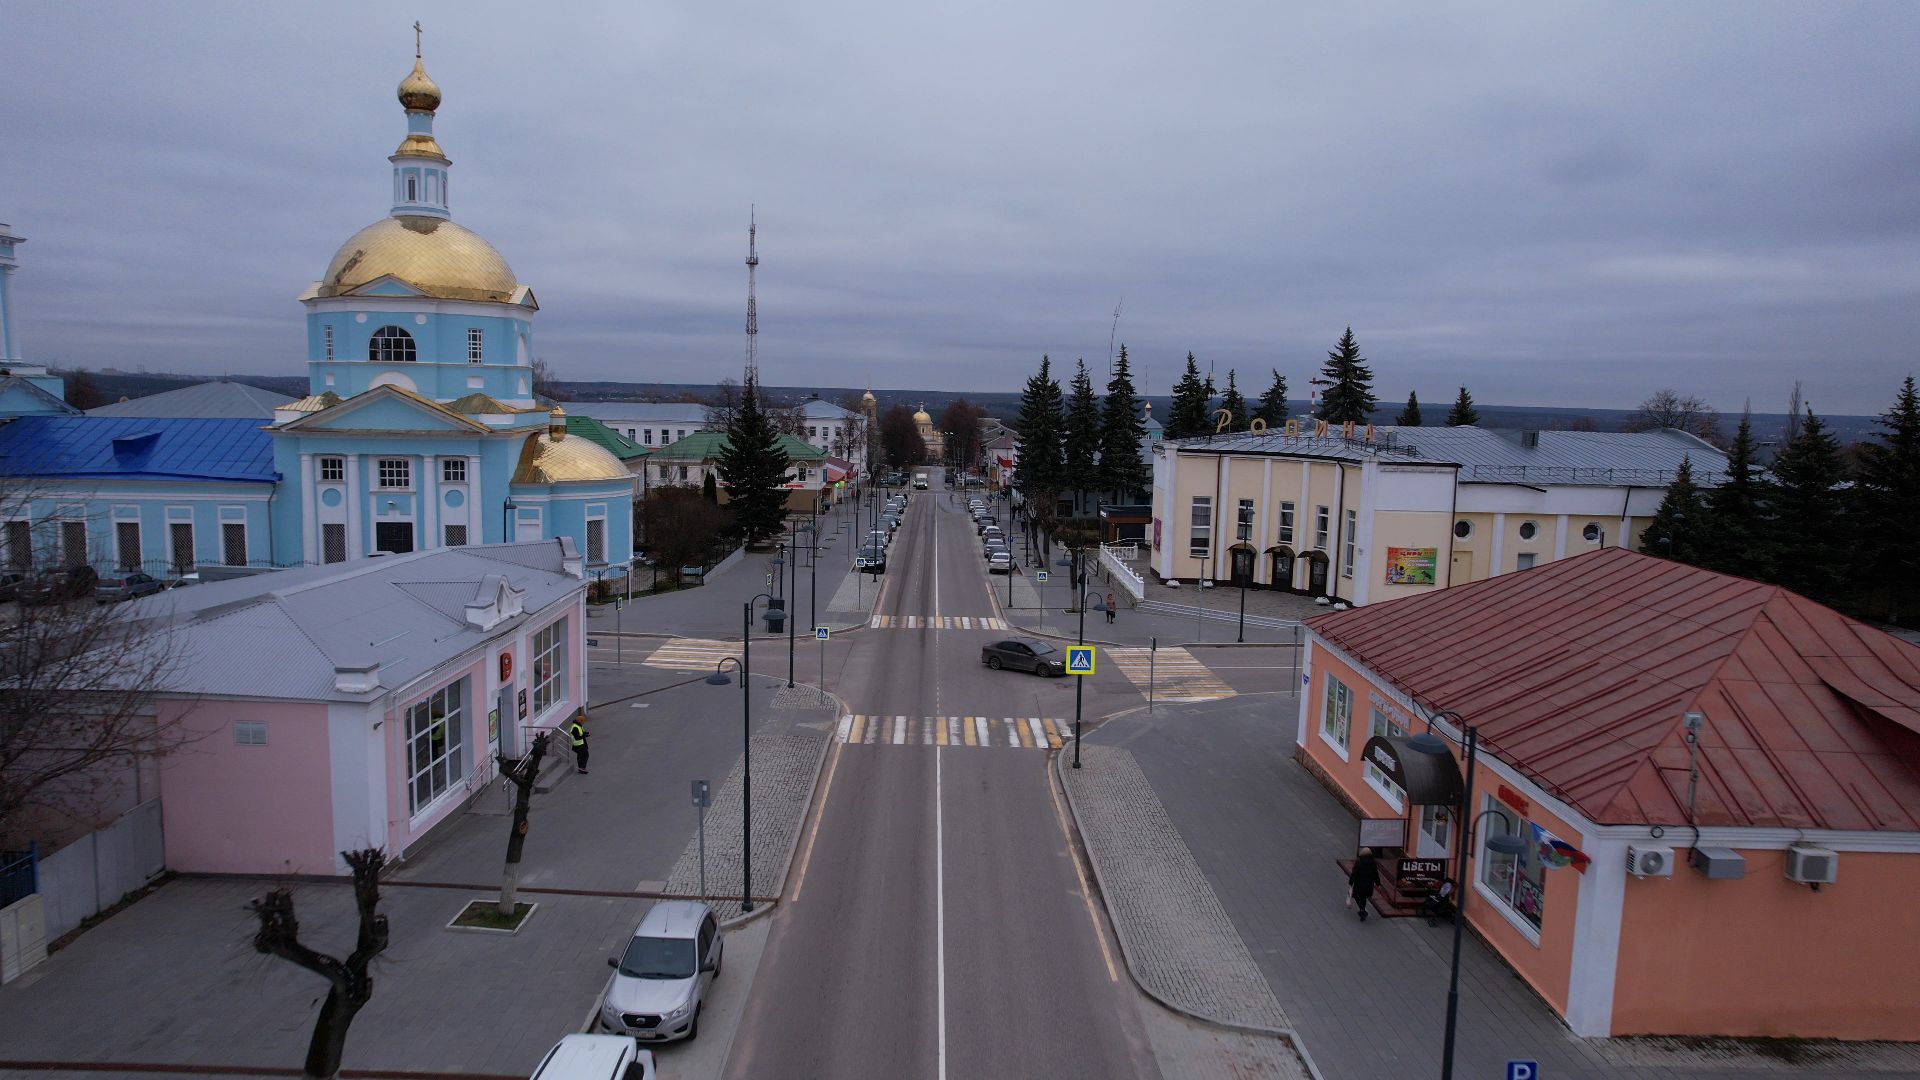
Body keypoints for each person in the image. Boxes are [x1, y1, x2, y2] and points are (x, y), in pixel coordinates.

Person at [1348, 847, 1380, 922]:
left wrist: (1351, 882)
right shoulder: (1373, 862)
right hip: (1369, 884)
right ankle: (1362, 910)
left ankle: (1362, 910)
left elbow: (1354, 873)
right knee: (1364, 897)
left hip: (1359, 883)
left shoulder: (1359, 861)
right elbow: (1375, 874)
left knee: (1356, 896)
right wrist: (1378, 883)